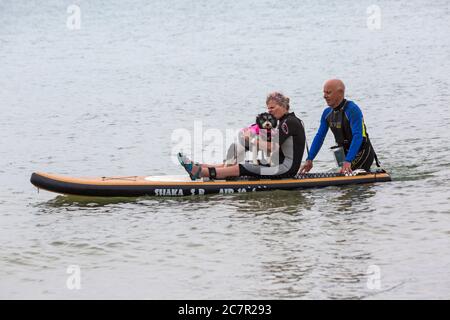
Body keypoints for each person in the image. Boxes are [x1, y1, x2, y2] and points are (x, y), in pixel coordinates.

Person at [178, 92, 306, 180]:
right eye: (268, 108)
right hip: (276, 164)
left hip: (285, 169)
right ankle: (201, 166)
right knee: (245, 153)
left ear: (283, 106)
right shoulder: (286, 121)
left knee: (245, 167)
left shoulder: (289, 122)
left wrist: (252, 139)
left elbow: (273, 147)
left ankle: (201, 173)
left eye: (272, 107)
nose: (269, 111)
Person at [299, 79, 379, 175]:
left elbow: (358, 136)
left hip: (361, 151)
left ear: (340, 93)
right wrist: (309, 159)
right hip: (342, 152)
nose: (324, 96)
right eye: (324, 92)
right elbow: (320, 137)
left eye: (328, 92)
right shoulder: (326, 113)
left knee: (345, 178)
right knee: (342, 184)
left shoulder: (352, 109)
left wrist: (348, 160)